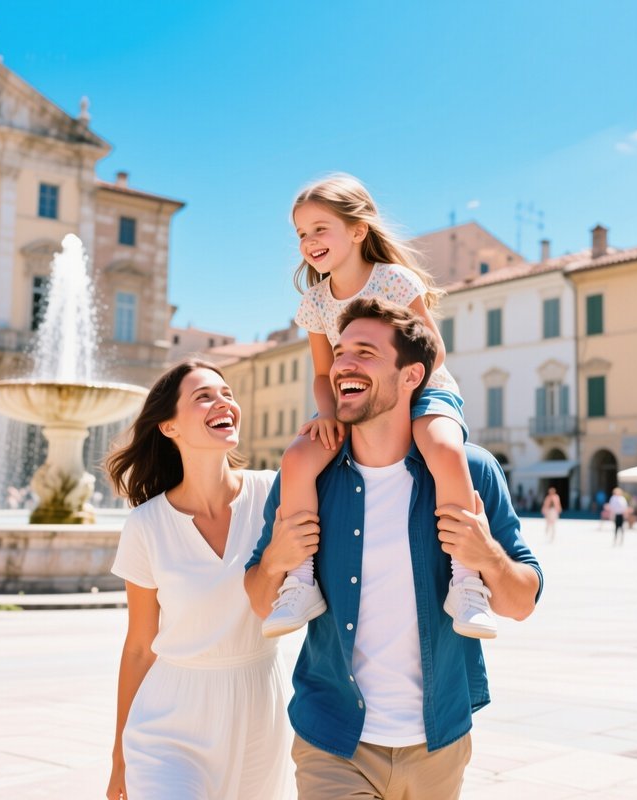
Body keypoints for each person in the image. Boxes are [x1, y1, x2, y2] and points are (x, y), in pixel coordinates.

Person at [245, 298, 543, 800]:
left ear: (412, 377)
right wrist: (277, 555)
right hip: (332, 743)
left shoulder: (471, 471)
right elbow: (258, 600)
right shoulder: (306, 476)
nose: (343, 365)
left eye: (365, 352)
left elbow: (522, 603)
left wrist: (485, 554)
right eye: (340, 353)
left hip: (439, 743)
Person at [264, 173, 496, 641]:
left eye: (319, 228)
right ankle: (300, 579)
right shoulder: (315, 301)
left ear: (357, 230)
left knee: (444, 451)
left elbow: (434, 351)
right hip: (350, 398)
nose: (309, 241)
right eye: (301, 234)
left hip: (423, 386)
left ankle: (468, 582)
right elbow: (320, 371)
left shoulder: (392, 279)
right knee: (297, 458)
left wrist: (403, 398)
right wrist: (328, 415)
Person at [104, 360, 294, 800]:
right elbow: (138, 647)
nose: (223, 401)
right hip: (170, 720)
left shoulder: (274, 494)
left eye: (226, 393)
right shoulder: (146, 525)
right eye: (204, 396)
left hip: (259, 712)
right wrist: (119, 756)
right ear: (168, 427)